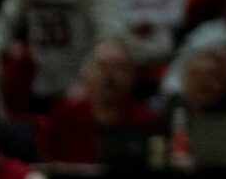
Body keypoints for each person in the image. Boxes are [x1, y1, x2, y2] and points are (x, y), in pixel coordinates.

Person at [36, 36, 157, 165]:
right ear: (86, 73)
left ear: (132, 77)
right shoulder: (63, 115)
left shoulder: (146, 119)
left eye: (119, 68)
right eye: (103, 66)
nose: (110, 76)